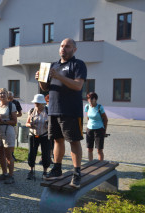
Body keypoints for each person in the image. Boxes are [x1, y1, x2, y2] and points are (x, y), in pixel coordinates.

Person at [35, 38, 87, 188]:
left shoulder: (78, 64)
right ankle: (57, 168)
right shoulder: (53, 65)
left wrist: (58, 76)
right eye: (62, 46)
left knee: (74, 141)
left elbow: (78, 85)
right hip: (54, 109)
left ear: (74, 49)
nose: (64, 48)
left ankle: (77, 173)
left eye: (67, 46)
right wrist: (40, 79)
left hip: (71, 110)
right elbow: (45, 88)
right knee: (57, 140)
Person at [0, 88, 17, 184]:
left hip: (8, 131)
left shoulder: (11, 105)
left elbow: (14, 122)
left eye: (4, 93)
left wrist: (4, 121)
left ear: (7, 95)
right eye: (0, 93)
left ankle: (11, 176)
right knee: (0, 153)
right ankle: (4, 173)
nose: (2, 95)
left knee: (9, 154)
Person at [25, 94, 51, 180]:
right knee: (31, 153)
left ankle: (45, 172)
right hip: (33, 135)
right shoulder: (31, 110)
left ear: (42, 103)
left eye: (38, 103)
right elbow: (27, 123)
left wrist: (48, 126)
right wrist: (30, 124)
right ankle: (31, 170)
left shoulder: (48, 111)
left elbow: (52, 124)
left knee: (46, 153)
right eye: (35, 102)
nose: (36, 104)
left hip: (45, 135)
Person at [85, 92, 108, 161]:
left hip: (99, 129)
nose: (90, 100)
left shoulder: (99, 107)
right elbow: (88, 117)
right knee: (89, 149)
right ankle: (90, 164)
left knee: (99, 150)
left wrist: (104, 130)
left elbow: (105, 119)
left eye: (91, 99)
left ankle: (100, 165)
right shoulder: (87, 106)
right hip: (89, 129)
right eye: (88, 99)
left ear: (95, 99)